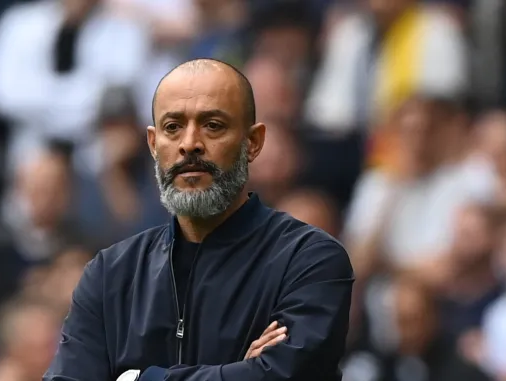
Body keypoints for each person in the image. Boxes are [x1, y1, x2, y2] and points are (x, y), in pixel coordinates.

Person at [44, 58, 354, 381]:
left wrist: (140, 378)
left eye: (213, 125)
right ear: (153, 144)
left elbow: (282, 376)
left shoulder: (309, 261)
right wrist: (237, 372)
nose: (190, 143)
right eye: (172, 127)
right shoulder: (109, 275)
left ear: (253, 143)